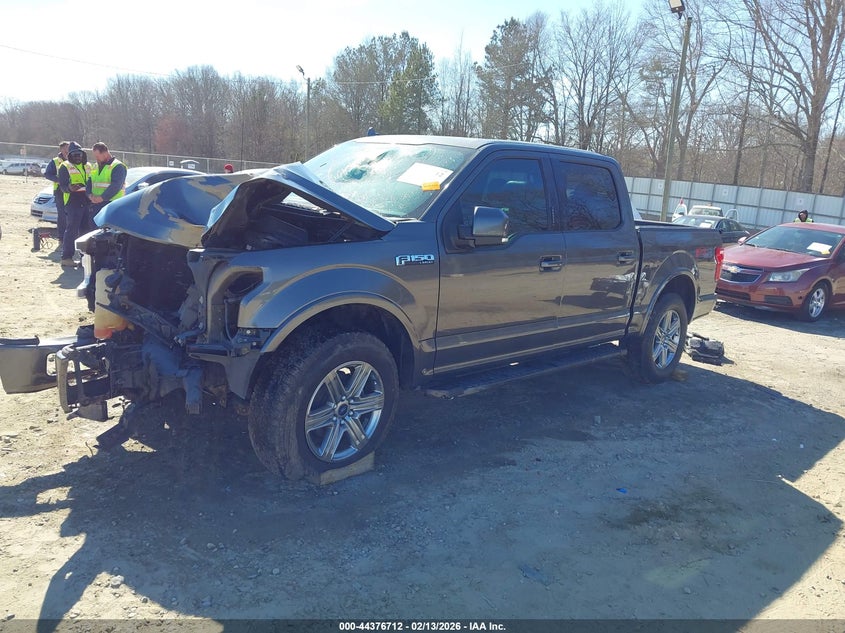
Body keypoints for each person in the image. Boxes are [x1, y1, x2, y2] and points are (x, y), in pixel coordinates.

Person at [58, 142, 91, 267]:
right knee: (72, 230)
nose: (78, 157)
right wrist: (70, 188)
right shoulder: (65, 166)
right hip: (73, 201)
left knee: (86, 231)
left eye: (80, 155)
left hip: (87, 200)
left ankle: (85, 258)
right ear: (70, 155)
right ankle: (66, 257)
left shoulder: (88, 166)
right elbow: (62, 186)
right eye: (75, 155)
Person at [87, 142, 127, 221]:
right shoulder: (95, 166)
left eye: (98, 156)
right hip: (96, 204)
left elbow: (116, 186)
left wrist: (102, 197)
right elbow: (89, 182)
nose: (96, 159)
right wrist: (89, 195)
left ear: (105, 153)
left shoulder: (118, 166)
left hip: (111, 204)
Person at [43, 142, 69, 247]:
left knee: (72, 214)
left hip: (72, 190)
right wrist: (59, 180)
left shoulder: (75, 159)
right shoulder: (55, 161)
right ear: (62, 150)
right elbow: (48, 174)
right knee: (62, 215)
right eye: (66, 149)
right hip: (60, 191)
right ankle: (62, 237)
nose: (68, 151)